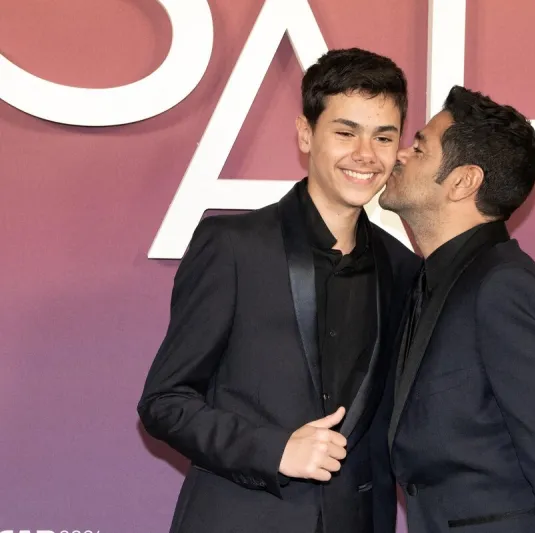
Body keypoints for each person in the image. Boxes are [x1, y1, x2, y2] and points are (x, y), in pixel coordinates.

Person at [137, 48, 420, 533]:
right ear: (306, 134)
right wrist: (276, 450)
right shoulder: (234, 247)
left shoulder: (404, 269)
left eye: (383, 137)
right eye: (346, 132)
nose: (365, 155)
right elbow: (165, 401)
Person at [378, 85, 535, 533]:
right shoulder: (431, 280)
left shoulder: (504, 289)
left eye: (419, 147)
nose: (400, 155)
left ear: (463, 181)